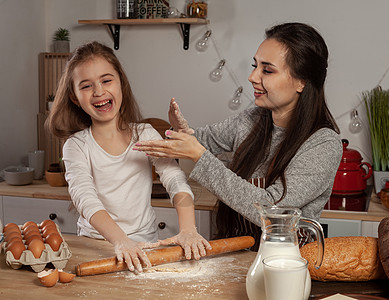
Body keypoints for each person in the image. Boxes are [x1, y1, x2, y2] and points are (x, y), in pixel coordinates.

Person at [133, 22, 343, 249]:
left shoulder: (323, 143)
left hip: (284, 265)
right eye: (255, 66)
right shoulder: (253, 119)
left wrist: (198, 155)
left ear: (302, 82)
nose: (253, 76)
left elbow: (272, 209)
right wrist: (183, 133)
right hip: (232, 253)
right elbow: (203, 140)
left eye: (267, 70)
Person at [45, 41, 211, 272]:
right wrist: (121, 240)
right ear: (74, 97)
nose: (99, 91)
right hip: (96, 247)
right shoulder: (76, 146)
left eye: (106, 80)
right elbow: (85, 198)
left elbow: (174, 179)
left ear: (121, 82)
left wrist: (189, 230)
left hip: (146, 244)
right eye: (86, 86)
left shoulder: (144, 134)